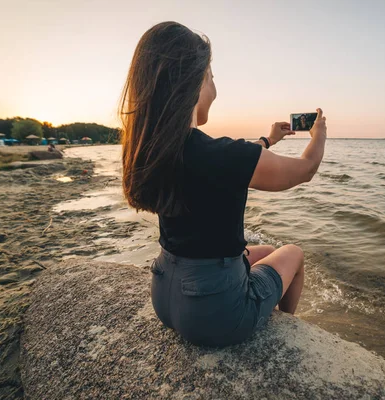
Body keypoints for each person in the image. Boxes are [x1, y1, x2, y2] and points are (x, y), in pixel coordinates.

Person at [121, 22, 327, 348]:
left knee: (267, 253)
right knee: (293, 254)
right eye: (211, 77)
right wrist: (319, 135)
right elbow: (304, 169)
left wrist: (268, 139)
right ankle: (287, 328)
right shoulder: (215, 154)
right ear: (196, 81)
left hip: (164, 296)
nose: (214, 87)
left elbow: (232, 159)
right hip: (215, 316)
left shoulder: (156, 149)